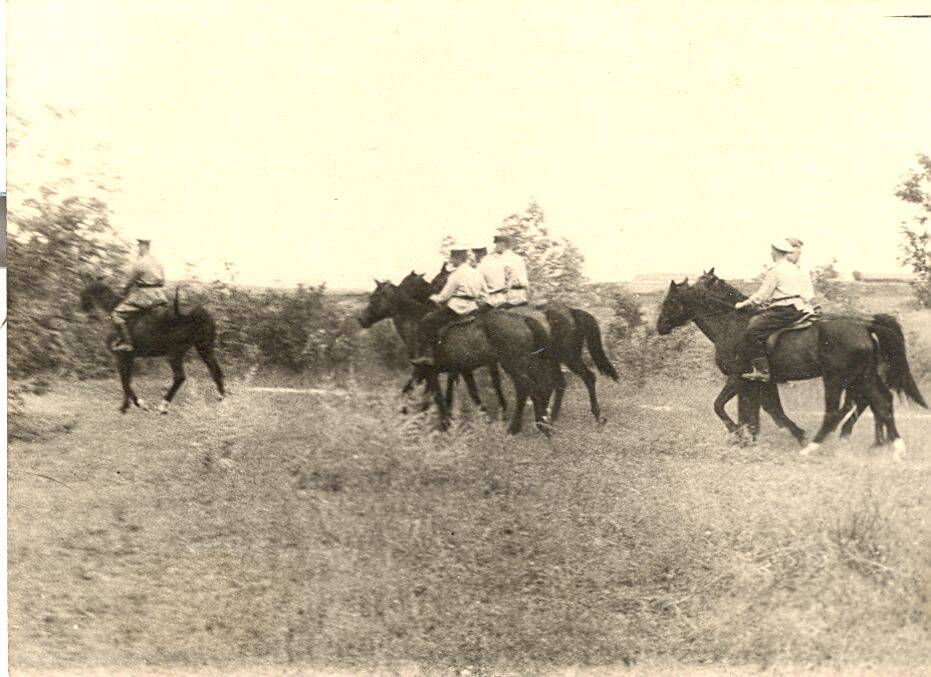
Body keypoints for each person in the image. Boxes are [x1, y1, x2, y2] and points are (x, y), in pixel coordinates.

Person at [733, 238, 815, 382]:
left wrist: (744, 304)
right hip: (798, 308)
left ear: (775, 252)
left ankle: (763, 371)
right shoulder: (793, 268)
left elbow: (763, 294)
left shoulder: (775, 270)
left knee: (752, 331)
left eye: (772, 251)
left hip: (782, 310)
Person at [410, 246, 487, 367]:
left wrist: (432, 297)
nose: (451, 260)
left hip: (456, 308)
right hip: (473, 308)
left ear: (458, 259)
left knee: (427, 321)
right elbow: (484, 295)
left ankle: (428, 356)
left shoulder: (455, 275)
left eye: (452, 258)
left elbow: (444, 297)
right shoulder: (477, 273)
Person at [111, 237, 168, 352]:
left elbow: (129, 282)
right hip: (160, 296)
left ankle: (127, 343)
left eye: (139, 246)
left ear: (143, 246)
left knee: (116, 314)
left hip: (144, 297)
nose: (138, 249)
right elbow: (162, 281)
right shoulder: (158, 262)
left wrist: (123, 290)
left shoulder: (140, 263)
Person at [494, 234, 529, 307]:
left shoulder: (501, 260)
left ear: (502, 244)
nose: (495, 247)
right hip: (522, 295)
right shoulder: (519, 258)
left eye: (496, 244)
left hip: (509, 297)